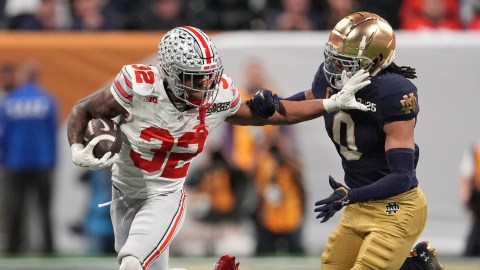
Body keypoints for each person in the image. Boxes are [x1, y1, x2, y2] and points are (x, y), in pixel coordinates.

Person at [66, 26, 370, 270]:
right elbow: (84, 109)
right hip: (123, 191)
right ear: (169, 73)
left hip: (165, 195)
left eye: (209, 75)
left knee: (132, 262)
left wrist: (328, 102)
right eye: (195, 78)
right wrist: (77, 148)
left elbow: (274, 114)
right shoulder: (138, 85)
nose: (206, 84)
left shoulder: (218, 95)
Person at [278, 12, 445, 270]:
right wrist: (275, 103)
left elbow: (403, 175)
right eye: (334, 60)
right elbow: (311, 98)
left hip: (397, 206)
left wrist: (351, 195)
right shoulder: (329, 77)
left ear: (375, 61)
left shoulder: (392, 93)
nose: (336, 69)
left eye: (345, 62)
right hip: (359, 205)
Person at [0, 61, 58, 254]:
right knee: (44, 209)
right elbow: (53, 133)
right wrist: (52, 161)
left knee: (15, 208)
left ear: (24, 77)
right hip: (42, 162)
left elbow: (4, 134)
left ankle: (13, 248)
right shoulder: (47, 99)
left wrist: (4, 160)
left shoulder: (10, 101)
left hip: (15, 162)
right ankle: (48, 248)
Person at [458, 140, 480, 257]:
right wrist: (465, 194)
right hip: (478, 195)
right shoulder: (475, 149)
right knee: (477, 228)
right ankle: (471, 254)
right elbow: (466, 174)